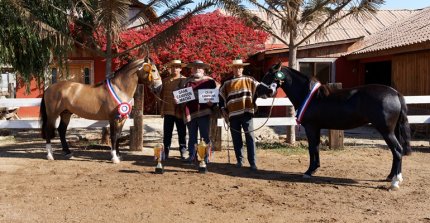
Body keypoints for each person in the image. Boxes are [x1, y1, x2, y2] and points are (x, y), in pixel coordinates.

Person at [219, 59, 276, 171]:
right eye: (235, 67)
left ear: (243, 68)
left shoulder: (250, 80)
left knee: (250, 137)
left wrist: (271, 90)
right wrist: (223, 109)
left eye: (240, 67)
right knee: (236, 138)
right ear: (232, 69)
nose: (238, 69)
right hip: (232, 114)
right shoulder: (226, 82)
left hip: (247, 112)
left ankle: (252, 162)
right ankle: (240, 160)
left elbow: (260, 89)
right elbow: (221, 97)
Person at [181, 60, 217, 164]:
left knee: (204, 136)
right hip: (190, 114)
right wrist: (178, 100)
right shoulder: (186, 82)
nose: (197, 69)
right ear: (191, 69)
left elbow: (215, 97)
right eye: (195, 67)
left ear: (203, 69)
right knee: (192, 137)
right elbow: (182, 98)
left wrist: (212, 103)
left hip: (204, 113)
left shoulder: (209, 81)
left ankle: (206, 157)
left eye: (200, 67)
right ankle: (192, 156)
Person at [158, 60, 188, 160]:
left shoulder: (185, 80)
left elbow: (188, 96)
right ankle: (166, 151)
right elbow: (161, 95)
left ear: (180, 68)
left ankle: (183, 151)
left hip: (180, 111)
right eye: (173, 66)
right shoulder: (165, 81)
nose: (175, 68)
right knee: (167, 133)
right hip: (168, 110)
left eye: (177, 66)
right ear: (170, 68)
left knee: (182, 132)